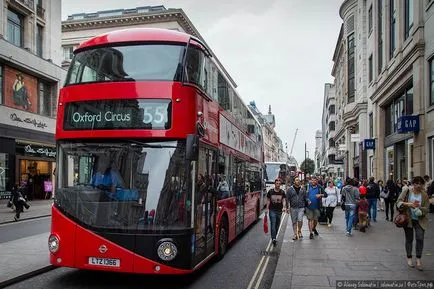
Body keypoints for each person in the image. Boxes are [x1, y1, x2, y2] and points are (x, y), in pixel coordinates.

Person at [396, 176, 430, 271]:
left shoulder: (424, 195)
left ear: (422, 184)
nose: (417, 185)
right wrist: (408, 204)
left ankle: (418, 259)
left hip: (420, 220)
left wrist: (420, 210)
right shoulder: (407, 191)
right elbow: (398, 202)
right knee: (409, 239)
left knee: (420, 238)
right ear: (413, 184)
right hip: (408, 219)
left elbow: (427, 208)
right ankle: (409, 258)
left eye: (420, 184)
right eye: (416, 183)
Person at [266, 178, 287, 246]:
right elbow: (268, 200)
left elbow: (283, 200)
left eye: (279, 184)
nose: (278, 185)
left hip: (279, 211)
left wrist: (284, 207)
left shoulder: (282, 192)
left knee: (277, 225)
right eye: (277, 183)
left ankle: (274, 235)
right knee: (273, 224)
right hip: (272, 210)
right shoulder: (270, 192)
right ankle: (274, 238)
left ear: (280, 185)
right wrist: (267, 209)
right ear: (275, 184)